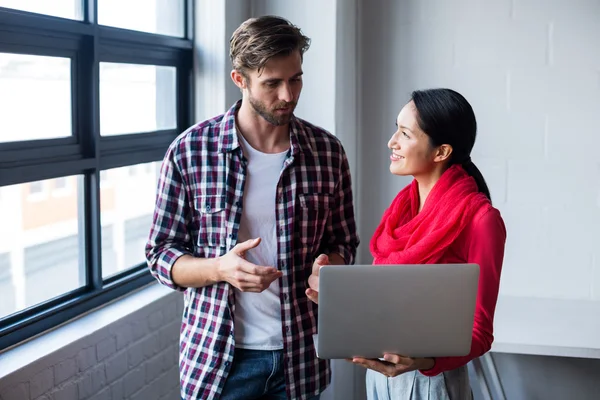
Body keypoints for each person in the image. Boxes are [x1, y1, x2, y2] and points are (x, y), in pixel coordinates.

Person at [145, 15, 359, 400]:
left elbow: (344, 240)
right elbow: (160, 255)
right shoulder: (190, 152)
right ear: (239, 80)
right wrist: (219, 269)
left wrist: (330, 266)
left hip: (301, 359)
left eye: (295, 79)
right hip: (219, 362)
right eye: (272, 83)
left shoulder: (327, 152)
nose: (288, 95)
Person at [306, 88, 506, 399]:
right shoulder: (403, 212)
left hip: (431, 381)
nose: (392, 142)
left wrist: (423, 362)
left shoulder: (481, 219)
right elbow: (391, 308)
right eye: (395, 128)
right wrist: (337, 300)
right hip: (381, 378)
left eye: (405, 134)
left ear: (441, 152)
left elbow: (480, 331)